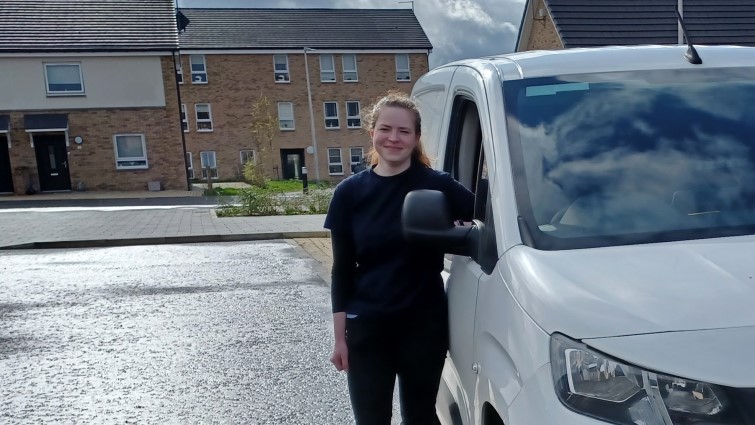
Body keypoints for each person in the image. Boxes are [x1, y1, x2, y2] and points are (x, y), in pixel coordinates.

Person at [324, 91, 474, 425]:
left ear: (417, 137)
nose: (394, 138)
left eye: (404, 131)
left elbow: (485, 217)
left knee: (420, 418)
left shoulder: (437, 186)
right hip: (368, 328)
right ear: (372, 132)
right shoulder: (349, 193)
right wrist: (339, 339)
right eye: (386, 129)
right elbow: (342, 271)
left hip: (423, 327)